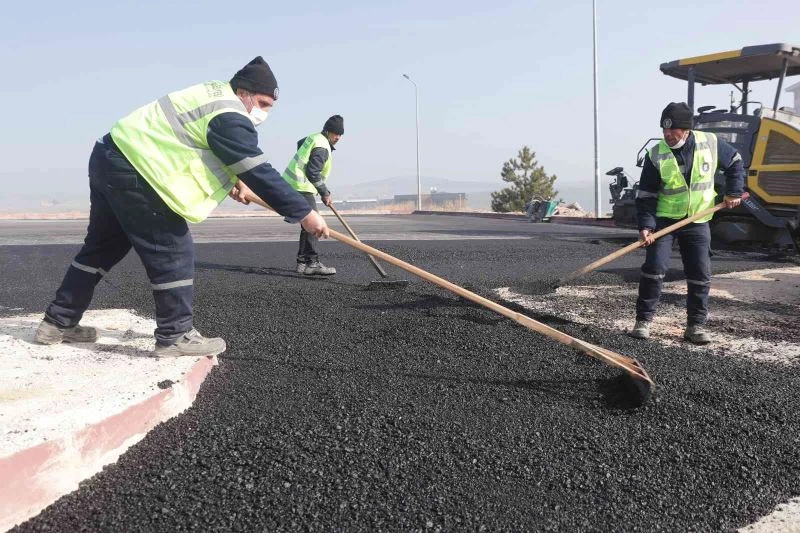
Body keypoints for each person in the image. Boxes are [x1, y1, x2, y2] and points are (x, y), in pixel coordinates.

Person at [35, 56, 329, 357]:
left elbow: (198, 147)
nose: (264, 113)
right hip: (137, 171)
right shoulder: (228, 113)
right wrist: (304, 212)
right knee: (173, 252)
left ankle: (57, 323)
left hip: (110, 157)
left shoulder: (210, 95)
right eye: (263, 104)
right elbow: (255, 168)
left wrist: (234, 181)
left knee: (102, 248)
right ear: (243, 92)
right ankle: (175, 336)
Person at [629, 102, 744, 344]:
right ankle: (643, 322)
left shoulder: (710, 143)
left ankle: (695, 326)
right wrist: (646, 226)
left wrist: (733, 192)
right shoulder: (655, 154)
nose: (668, 134)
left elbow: (735, 161)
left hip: (698, 220)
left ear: (687, 129)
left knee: (700, 273)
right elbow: (646, 195)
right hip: (664, 221)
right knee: (654, 269)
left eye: (673, 130)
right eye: (664, 129)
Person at [281, 115, 344, 275]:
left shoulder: (314, 138)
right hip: (301, 186)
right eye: (336, 133)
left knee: (307, 224)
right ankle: (312, 262)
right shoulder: (322, 146)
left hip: (291, 184)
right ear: (327, 131)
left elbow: (300, 144)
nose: (338, 137)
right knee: (315, 224)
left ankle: (302, 262)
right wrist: (324, 192)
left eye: (340, 134)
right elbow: (313, 172)